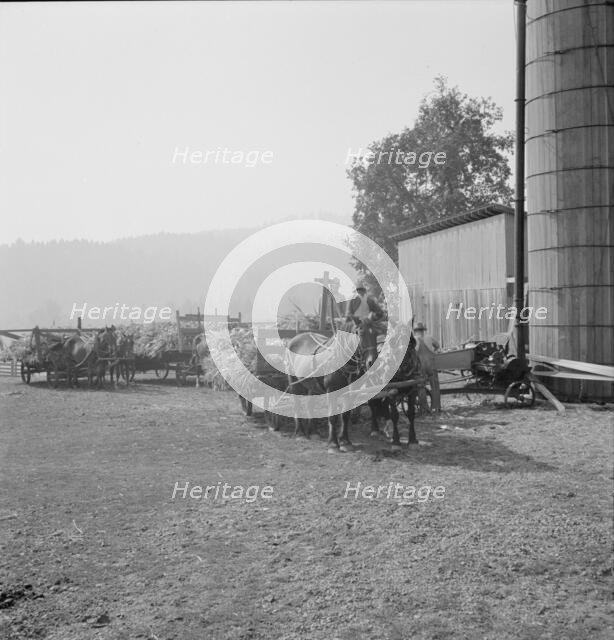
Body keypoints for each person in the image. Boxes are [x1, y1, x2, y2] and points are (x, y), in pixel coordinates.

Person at [413, 322, 441, 412]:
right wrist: (434, 352)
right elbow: (437, 346)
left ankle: (424, 409)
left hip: (420, 367)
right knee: (435, 386)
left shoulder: (413, 340)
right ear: (423, 330)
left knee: (421, 387)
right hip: (431, 365)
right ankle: (436, 407)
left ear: (415, 331)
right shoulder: (429, 337)